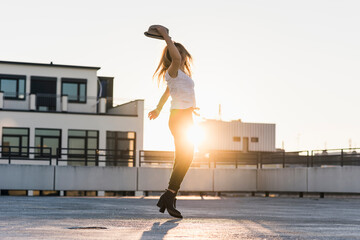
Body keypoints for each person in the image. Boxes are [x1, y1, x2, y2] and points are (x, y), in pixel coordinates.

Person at [148, 26, 197, 218]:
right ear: (175, 54)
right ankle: (169, 195)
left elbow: (167, 93)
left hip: (185, 116)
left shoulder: (178, 75)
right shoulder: (173, 69)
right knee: (186, 157)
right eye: (179, 53)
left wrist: (158, 109)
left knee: (183, 158)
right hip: (179, 118)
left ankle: (170, 196)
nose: (182, 56)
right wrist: (166, 36)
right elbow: (175, 58)